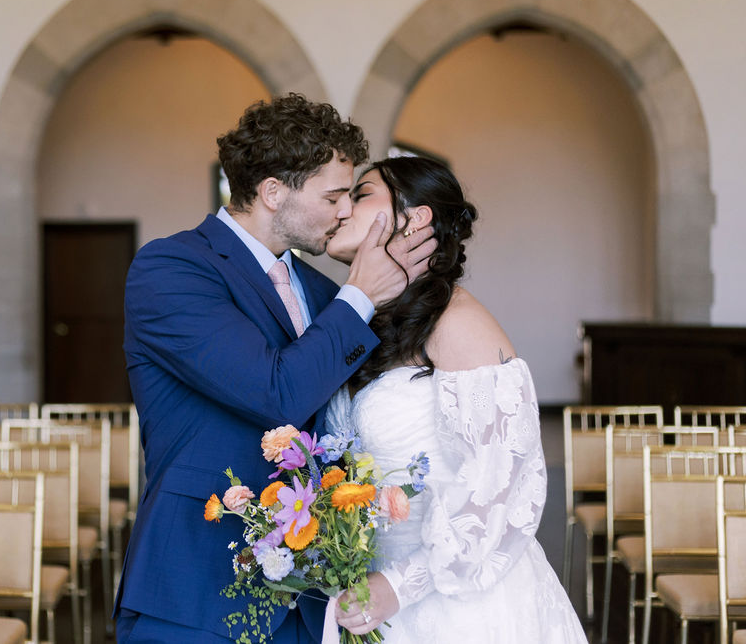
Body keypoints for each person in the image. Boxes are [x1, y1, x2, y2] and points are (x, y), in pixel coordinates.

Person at [114, 94, 436, 643]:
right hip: (196, 584)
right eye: (333, 195)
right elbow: (276, 391)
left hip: (309, 600)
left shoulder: (323, 291)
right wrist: (360, 296)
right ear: (272, 192)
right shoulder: (171, 268)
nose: (344, 211)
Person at [324, 156, 586, 643]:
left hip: (458, 601)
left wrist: (400, 586)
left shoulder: (457, 321)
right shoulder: (363, 320)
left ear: (415, 217)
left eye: (360, 195)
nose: (341, 210)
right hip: (369, 588)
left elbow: (501, 486)